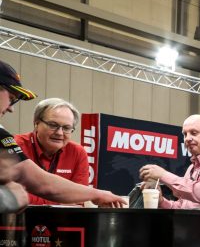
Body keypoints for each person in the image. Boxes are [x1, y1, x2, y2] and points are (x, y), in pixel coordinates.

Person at [0, 61, 123, 207]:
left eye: (66, 128)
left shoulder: (3, 137)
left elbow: (46, 187)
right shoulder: (11, 141)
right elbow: (42, 184)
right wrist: (9, 198)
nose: (11, 109)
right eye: (11, 99)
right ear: (36, 123)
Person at [14, 98, 90, 205]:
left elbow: (80, 198)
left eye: (66, 128)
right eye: (53, 125)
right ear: (36, 124)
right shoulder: (15, 146)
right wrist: (61, 201)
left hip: (62, 221)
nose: (59, 133)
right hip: (22, 219)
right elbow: (14, 196)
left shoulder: (77, 152)